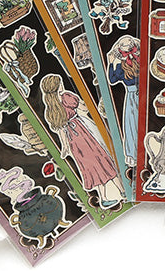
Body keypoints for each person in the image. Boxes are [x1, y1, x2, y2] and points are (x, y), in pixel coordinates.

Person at [40, 74, 124, 207]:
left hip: (73, 141)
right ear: (58, 86)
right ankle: (122, 189)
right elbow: (84, 108)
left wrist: (65, 148)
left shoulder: (51, 109)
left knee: (91, 167)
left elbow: (61, 131)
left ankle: (105, 197)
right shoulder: (66, 97)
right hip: (84, 132)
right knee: (101, 159)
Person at [107, 36, 139, 167]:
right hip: (137, 95)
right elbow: (112, 81)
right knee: (133, 126)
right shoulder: (138, 62)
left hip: (133, 97)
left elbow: (112, 79)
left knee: (132, 127)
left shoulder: (122, 67)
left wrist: (111, 63)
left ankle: (134, 155)